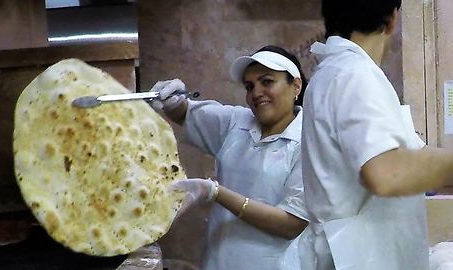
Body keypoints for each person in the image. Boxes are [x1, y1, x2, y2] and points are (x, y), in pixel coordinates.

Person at [300, 1, 453, 269]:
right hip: (360, 257)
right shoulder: (354, 74)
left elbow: (415, 159)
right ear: (392, 19)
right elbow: (386, 173)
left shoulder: (338, 71)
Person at [150, 45, 309, 270]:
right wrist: (173, 101)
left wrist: (217, 193)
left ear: (296, 85)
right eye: (249, 86)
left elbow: (291, 223)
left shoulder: (308, 142)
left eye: (267, 82)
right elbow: (186, 114)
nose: (256, 93)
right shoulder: (236, 123)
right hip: (219, 262)